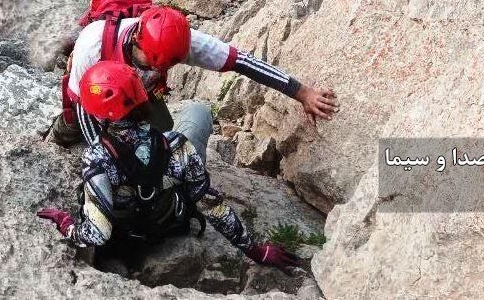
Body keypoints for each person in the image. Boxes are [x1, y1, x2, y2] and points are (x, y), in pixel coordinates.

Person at [37, 61, 300, 272]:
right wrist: (255, 250)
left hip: (127, 236)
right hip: (170, 223)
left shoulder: (97, 157)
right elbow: (212, 205)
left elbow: (97, 234)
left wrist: (67, 224)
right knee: (199, 112)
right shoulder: (175, 145)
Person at [50, 5, 339, 145]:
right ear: (136, 39)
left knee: (159, 137)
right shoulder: (92, 46)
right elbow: (83, 108)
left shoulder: (181, 41)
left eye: (163, 68)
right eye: (151, 65)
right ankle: (57, 136)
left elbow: (244, 63)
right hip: (93, 97)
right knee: (71, 130)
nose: (156, 72)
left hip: (137, 99)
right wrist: (102, 153)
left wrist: (301, 93)